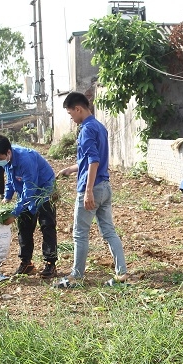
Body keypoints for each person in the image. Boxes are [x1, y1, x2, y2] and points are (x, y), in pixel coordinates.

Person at [56, 91, 127, 288]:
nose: (72, 118)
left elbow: (94, 161)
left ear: (78, 109)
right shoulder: (100, 127)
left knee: (80, 233)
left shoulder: (86, 129)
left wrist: (87, 191)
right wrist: (70, 169)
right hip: (105, 187)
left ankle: (76, 276)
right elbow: (89, 160)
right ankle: (121, 273)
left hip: (92, 188)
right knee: (109, 231)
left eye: (71, 114)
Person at [0, 134, 58, 278]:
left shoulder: (26, 159)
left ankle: (50, 264)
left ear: (8, 152)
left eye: (0, 159)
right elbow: (11, 181)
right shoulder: (6, 160)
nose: (0, 162)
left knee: (47, 226)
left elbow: (30, 189)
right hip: (26, 193)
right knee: (24, 227)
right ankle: (27, 263)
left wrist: (14, 213)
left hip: (44, 190)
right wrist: (6, 198)